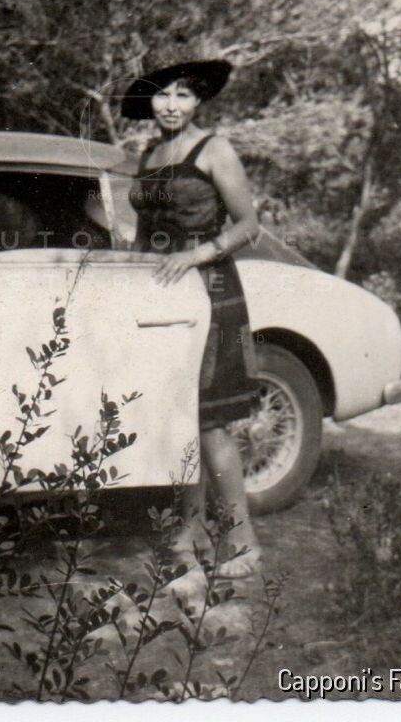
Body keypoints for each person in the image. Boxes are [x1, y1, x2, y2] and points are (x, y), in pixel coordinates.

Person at [122, 59, 263, 580]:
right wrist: (131, 272)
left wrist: (195, 255)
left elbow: (248, 225)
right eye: (162, 95)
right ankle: (189, 532)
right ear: (150, 102)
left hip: (208, 288)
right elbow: (145, 231)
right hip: (160, 291)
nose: (171, 105)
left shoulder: (214, 149)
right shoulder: (150, 154)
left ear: (198, 100)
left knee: (209, 421)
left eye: (183, 94)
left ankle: (243, 544)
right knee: (178, 419)